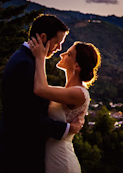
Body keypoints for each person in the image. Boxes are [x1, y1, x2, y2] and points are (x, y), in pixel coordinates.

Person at [0, 14, 84, 173]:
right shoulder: (25, 64)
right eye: (58, 42)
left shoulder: (26, 59)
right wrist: (68, 128)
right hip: (17, 156)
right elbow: (27, 117)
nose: (59, 48)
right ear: (43, 37)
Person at [28, 33, 101, 173]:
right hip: (50, 157)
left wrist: (40, 57)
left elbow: (40, 88)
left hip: (62, 162)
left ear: (77, 65)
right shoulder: (64, 91)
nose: (62, 55)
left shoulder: (78, 93)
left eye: (68, 54)